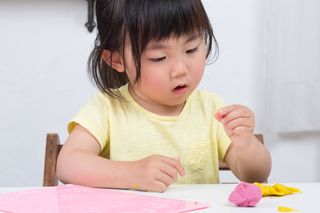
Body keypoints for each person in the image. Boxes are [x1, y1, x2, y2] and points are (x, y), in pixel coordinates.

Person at [56, 0, 271, 192]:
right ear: (117, 60)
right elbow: (67, 164)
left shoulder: (211, 109)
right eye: (159, 58)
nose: (180, 69)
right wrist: (132, 174)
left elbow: (256, 176)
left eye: (191, 49)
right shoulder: (108, 108)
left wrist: (246, 145)